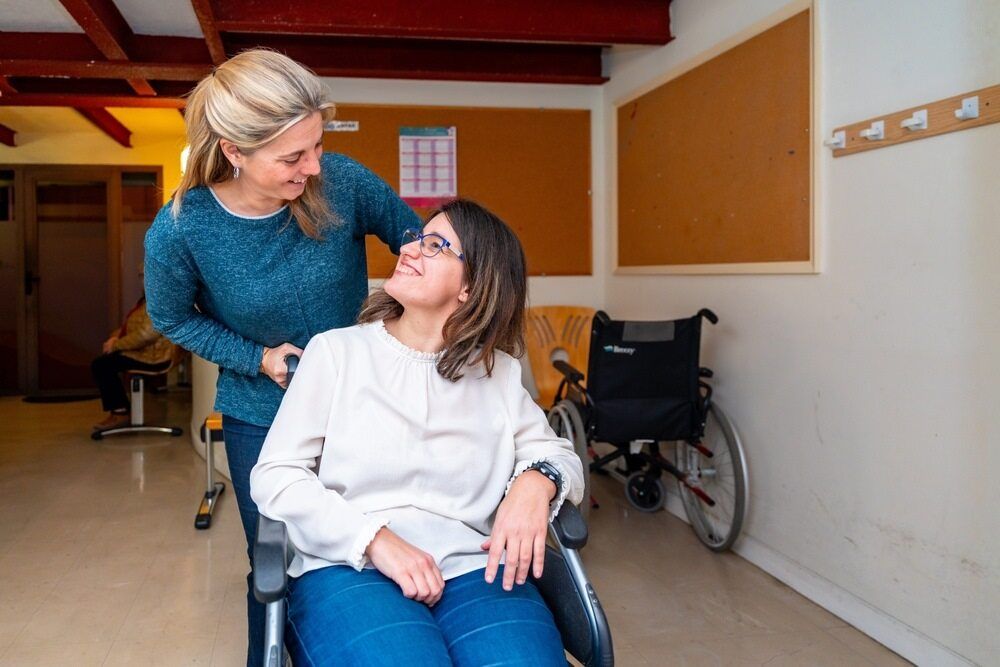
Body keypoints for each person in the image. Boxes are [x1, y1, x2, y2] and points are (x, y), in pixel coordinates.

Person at [142, 49, 420, 665]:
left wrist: (419, 320)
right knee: (276, 560)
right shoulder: (181, 229)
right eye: (293, 156)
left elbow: (419, 244)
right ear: (234, 151)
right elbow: (172, 317)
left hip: (365, 404)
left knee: (370, 548)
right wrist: (256, 356)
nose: (314, 165)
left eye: (316, 145)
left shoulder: (340, 182)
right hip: (261, 414)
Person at [250, 199, 585, 666]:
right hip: (350, 565)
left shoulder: (498, 373)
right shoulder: (336, 354)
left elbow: (557, 453)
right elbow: (275, 474)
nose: (409, 250)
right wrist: (374, 539)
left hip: (475, 568)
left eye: (435, 245)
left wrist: (536, 481)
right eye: (416, 238)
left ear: (472, 286)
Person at [91, 295, 173, 431]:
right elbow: (131, 328)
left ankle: (120, 412)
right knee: (104, 363)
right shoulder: (147, 299)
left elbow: (146, 335)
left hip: (154, 357)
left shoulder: (161, 298)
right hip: (145, 352)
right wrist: (115, 338)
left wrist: (116, 345)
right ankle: (120, 409)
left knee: (102, 365)